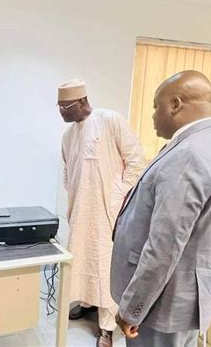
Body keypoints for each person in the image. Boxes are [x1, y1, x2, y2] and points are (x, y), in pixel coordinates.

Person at [110, 70, 211, 347]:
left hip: (164, 302)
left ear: (175, 104)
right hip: (187, 293)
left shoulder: (188, 155)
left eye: (156, 106)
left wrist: (133, 308)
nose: (153, 115)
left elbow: (164, 247)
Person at [58, 79, 145, 346]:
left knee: (105, 267)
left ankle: (107, 326)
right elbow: (67, 170)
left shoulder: (110, 119)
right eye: (58, 106)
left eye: (66, 106)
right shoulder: (68, 135)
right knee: (82, 259)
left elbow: (135, 160)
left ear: (83, 102)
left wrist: (118, 196)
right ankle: (86, 303)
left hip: (110, 214)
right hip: (81, 211)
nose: (61, 112)